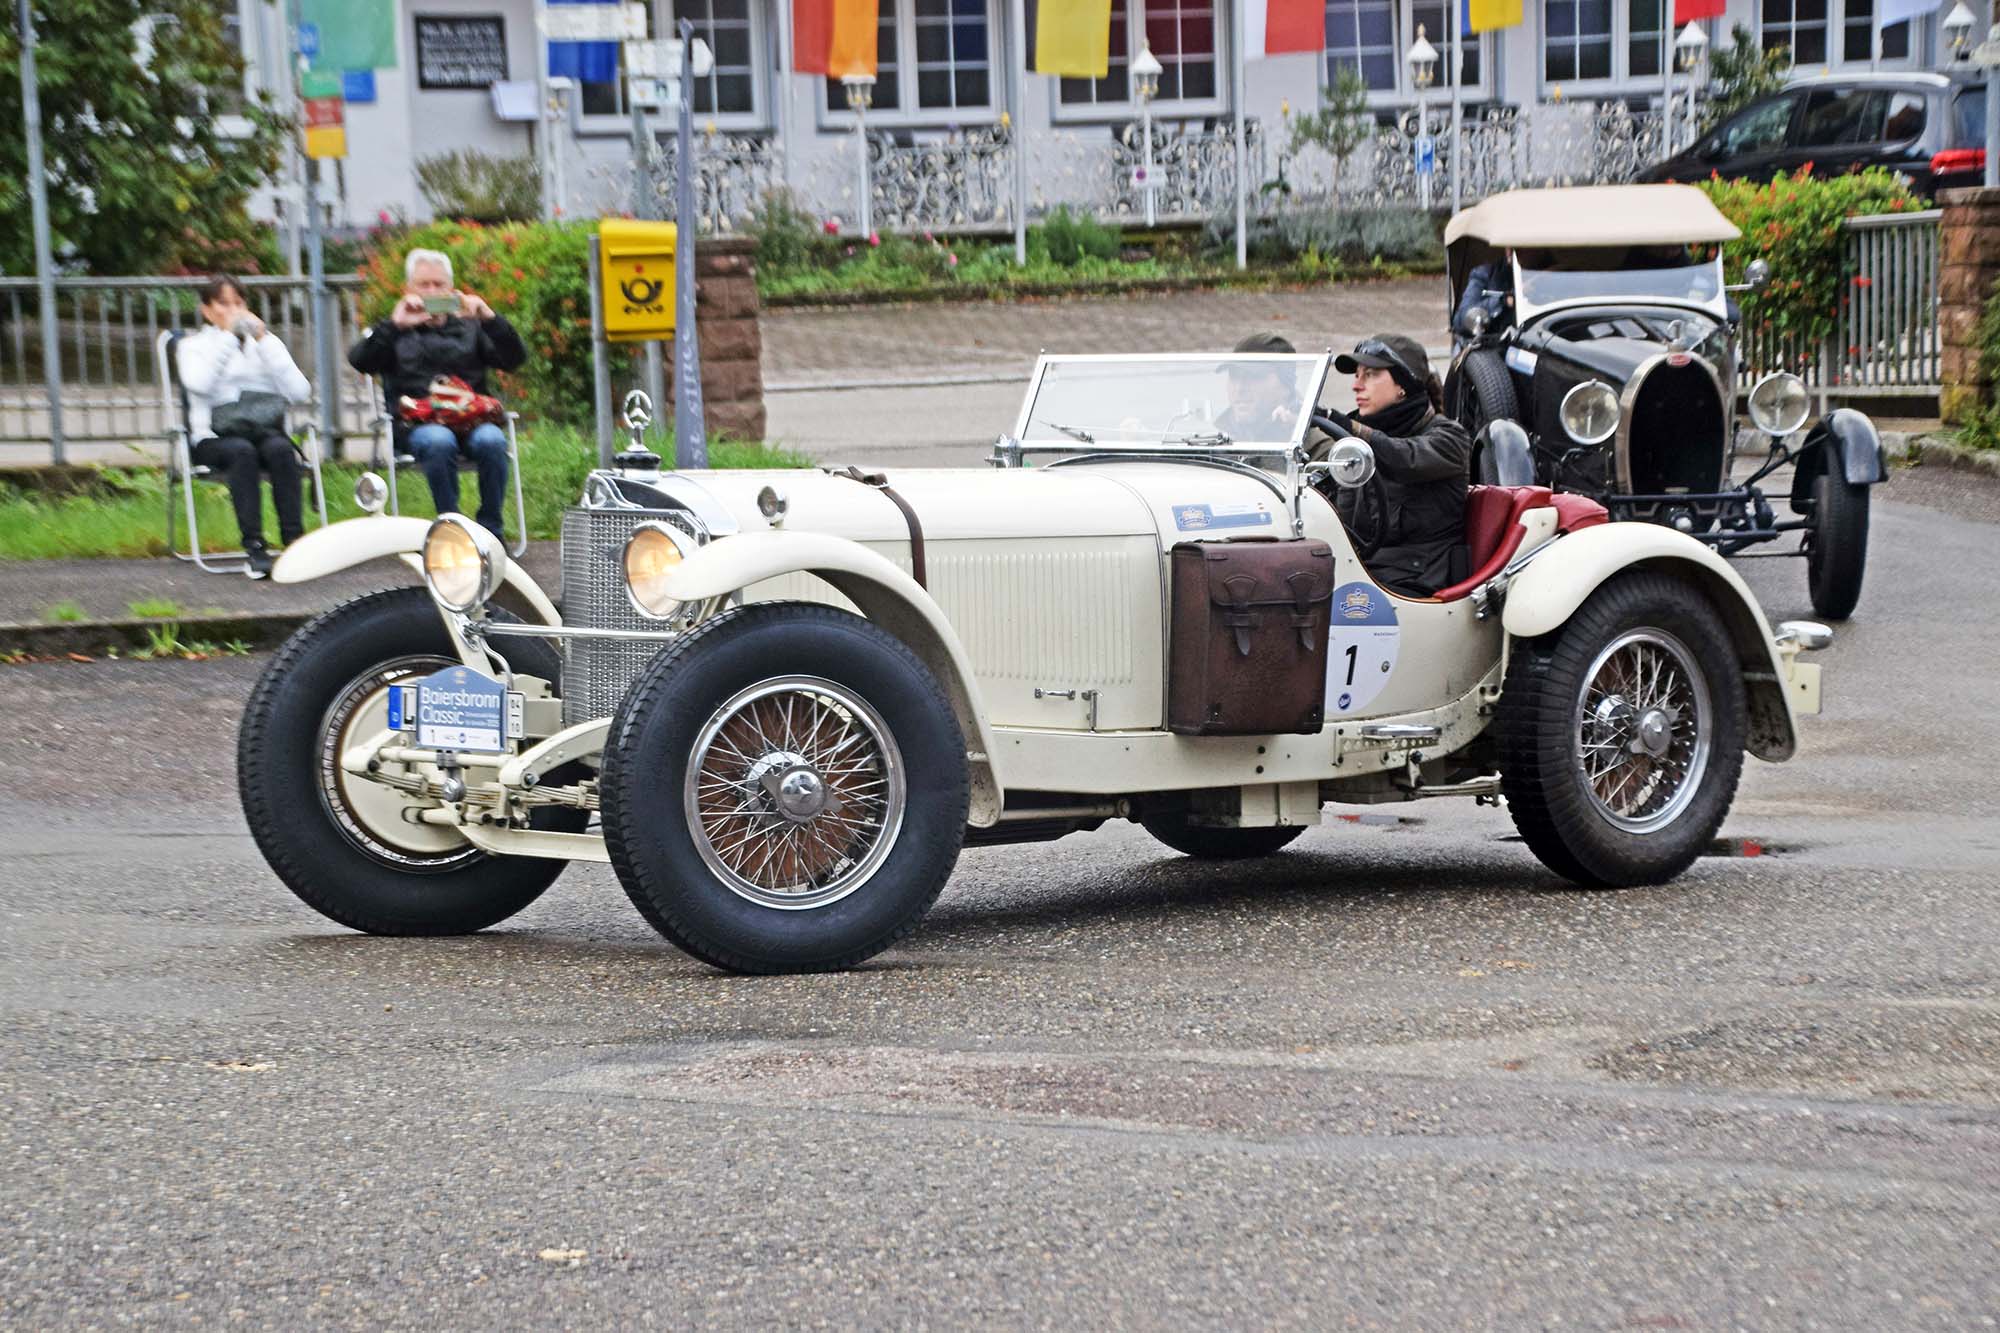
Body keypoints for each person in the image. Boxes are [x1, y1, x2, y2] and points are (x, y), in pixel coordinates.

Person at [349, 248, 525, 540]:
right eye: (424, 285)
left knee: (493, 440)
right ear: (409, 289)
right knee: (438, 440)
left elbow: (514, 359)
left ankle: (492, 531)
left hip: (471, 422)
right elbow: (360, 362)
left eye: (439, 285)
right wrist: (393, 326)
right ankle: (451, 530)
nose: (432, 291)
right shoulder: (395, 329)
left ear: (451, 289)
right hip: (418, 426)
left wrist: (490, 318)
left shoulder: (471, 326)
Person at [1312, 334, 1472, 598]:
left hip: (1415, 582)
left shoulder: (1449, 438)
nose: (1357, 386)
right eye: (1357, 375)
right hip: (1359, 571)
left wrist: (1342, 424)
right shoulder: (1352, 441)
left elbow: (1403, 458)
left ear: (1403, 385)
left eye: (1371, 375)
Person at [175, 276, 313, 579]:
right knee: (242, 452)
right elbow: (198, 385)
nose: (234, 310)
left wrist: (264, 342)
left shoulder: (265, 344)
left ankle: (295, 542)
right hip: (214, 437)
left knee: (280, 449)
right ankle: (255, 546)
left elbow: (300, 392)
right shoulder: (192, 346)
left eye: (239, 303)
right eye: (224, 304)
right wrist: (227, 339)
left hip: (263, 431)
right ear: (207, 311)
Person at [1213, 331, 1303, 439]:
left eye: (1253, 376)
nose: (1239, 389)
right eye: (1234, 376)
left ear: (1286, 386)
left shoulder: (1315, 448)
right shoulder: (1213, 441)